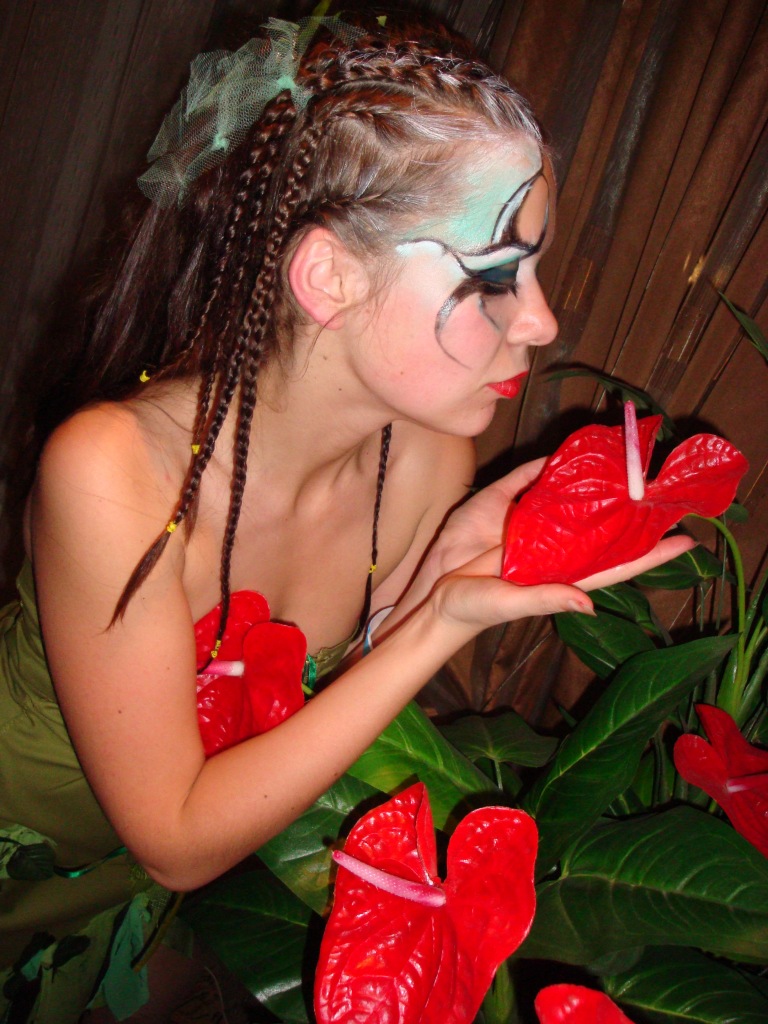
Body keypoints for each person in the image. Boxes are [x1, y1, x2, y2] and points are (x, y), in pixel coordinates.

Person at [0, 11, 692, 1021]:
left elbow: (324, 699)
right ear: (329, 276)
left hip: (126, 912)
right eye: (496, 277)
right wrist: (440, 622)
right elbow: (177, 836)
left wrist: (436, 576)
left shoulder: (426, 462)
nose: (542, 321)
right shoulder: (114, 475)